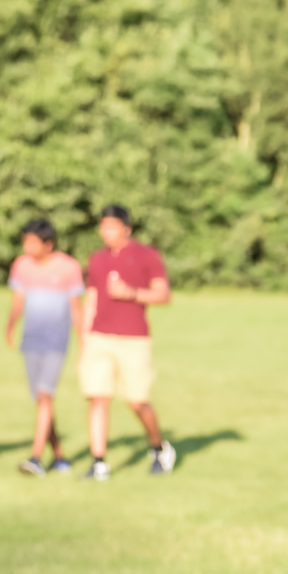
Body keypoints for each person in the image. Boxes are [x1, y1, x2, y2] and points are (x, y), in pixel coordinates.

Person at [78, 205, 176, 479]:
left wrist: (131, 293)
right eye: (103, 226)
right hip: (99, 337)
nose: (106, 232)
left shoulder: (147, 256)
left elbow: (163, 295)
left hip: (133, 339)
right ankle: (99, 462)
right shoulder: (97, 259)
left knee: (137, 401)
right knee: (98, 398)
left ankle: (159, 448)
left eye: (112, 226)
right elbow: (92, 299)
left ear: (126, 229)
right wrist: (84, 339)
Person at [5, 218, 86, 475]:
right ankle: (59, 456)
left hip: (55, 343)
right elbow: (18, 300)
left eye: (33, 242)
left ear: (48, 244)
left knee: (44, 396)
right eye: (25, 242)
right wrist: (10, 326)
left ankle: (36, 458)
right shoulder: (22, 265)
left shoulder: (69, 267)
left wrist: (83, 343)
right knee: (42, 401)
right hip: (31, 341)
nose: (27, 247)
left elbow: (76, 308)